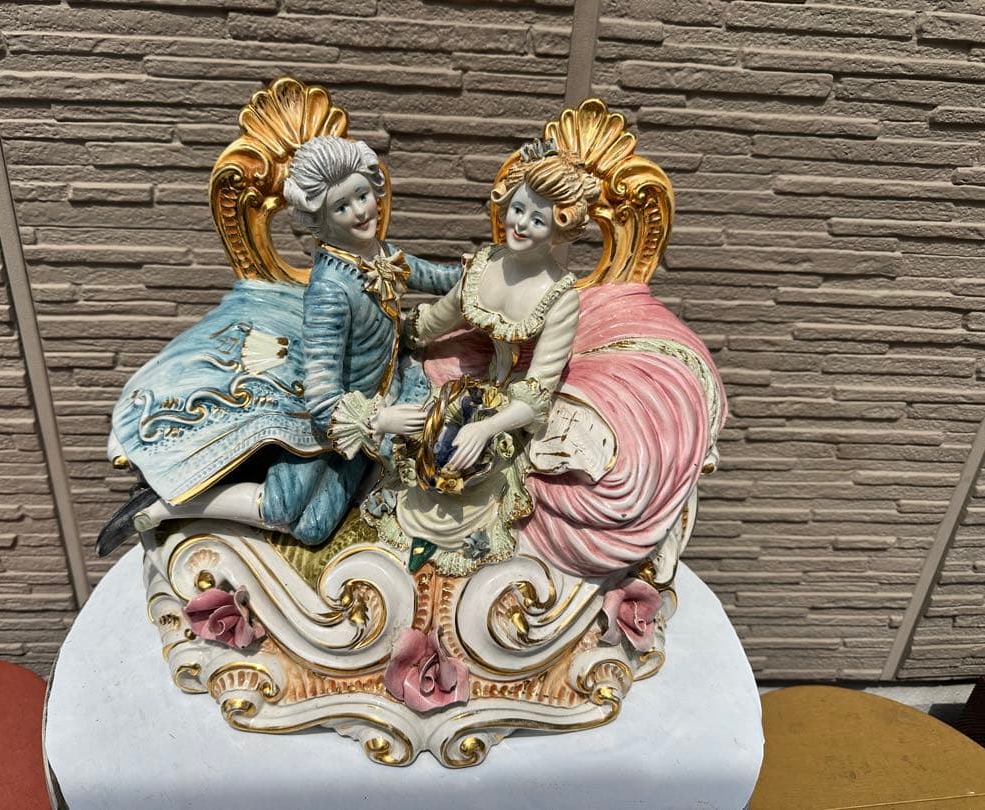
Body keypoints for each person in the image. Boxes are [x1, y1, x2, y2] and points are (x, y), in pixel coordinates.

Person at [97, 136, 458, 555]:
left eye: (362, 196)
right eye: (342, 207)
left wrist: (495, 269)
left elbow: (438, 278)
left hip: (376, 395)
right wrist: (383, 420)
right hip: (333, 417)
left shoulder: (383, 254)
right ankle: (166, 507)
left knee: (314, 525)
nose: (360, 212)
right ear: (321, 221)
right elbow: (322, 400)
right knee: (286, 505)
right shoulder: (330, 291)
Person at [387, 139, 725, 578]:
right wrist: (391, 337)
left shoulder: (558, 296)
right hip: (476, 375)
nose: (520, 225)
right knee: (422, 439)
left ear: (558, 228)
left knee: (482, 474)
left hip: (522, 403)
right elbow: (435, 320)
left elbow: (537, 393)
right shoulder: (484, 265)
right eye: (518, 209)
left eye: (538, 220)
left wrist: (486, 427)